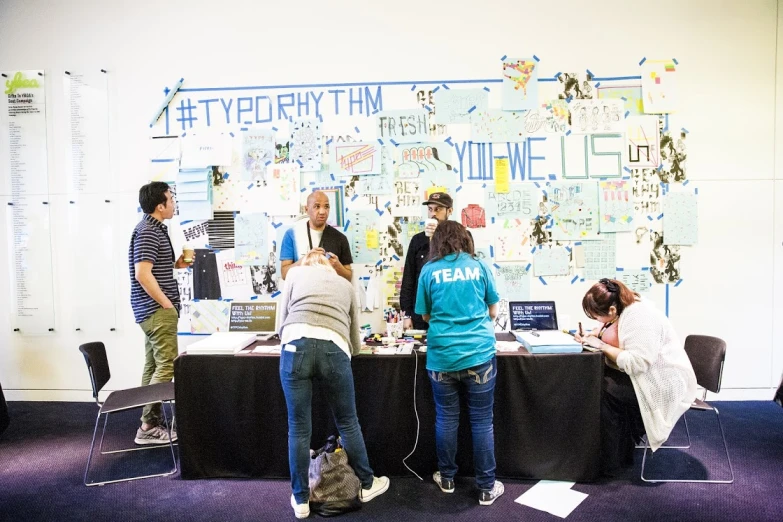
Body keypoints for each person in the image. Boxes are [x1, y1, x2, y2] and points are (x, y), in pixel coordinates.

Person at [279, 251, 389, 518]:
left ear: (306, 264)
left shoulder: (294, 273)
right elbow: (355, 341)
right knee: (347, 421)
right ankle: (366, 484)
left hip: (295, 345)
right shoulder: (345, 284)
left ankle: (301, 500)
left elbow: (280, 324)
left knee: (298, 427)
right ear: (330, 266)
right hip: (334, 348)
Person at [414, 221, 504, 506]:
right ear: (464, 239)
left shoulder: (428, 270)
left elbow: (424, 316)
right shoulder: (479, 267)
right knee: (481, 422)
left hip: (442, 357)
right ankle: (487, 487)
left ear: (437, 242)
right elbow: (492, 310)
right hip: (479, 355)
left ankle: (448, 478)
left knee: (446, 418)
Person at [575, 278, 697, 476]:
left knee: (603, 391)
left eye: (597, 316)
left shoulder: (640, 317)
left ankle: (611, 461)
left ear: (612, 310)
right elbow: (610, 333)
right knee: (598, 384)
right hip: (645, 376)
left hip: (660, 384)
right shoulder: (624, 310)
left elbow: (638, 362)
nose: (596, 321)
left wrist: (602, 347)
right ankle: (614, 454)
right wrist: (593, 336)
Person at [129, 182, 192, 444]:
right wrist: (167, 304)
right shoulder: (147, 231)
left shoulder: (154, 229)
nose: (174, 203)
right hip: (156, 310)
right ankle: (147, 427)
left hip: (152, 310)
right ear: (160, 205)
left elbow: (154, 269)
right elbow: (142, 274)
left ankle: (150, 422)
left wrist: (177, 263)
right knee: (166, 365)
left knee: (154, 365)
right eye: (171, 199)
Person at [400, 192, 454, 331]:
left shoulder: (459, 238)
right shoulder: (418, 240)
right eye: (430, 209)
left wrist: (439, 237)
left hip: (450, 311)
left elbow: (458, 265)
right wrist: (406, 314)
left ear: (450, 211)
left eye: (438, 209)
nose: (433, 214)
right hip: (420, 311)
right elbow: (409, 278)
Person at [280, 190, 353, 282]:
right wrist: (306, 260)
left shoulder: (340, 238)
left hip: (331, 294)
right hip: (302, 294)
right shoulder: (292, 235)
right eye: (317, 206)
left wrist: (337, 266)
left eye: (326, 207)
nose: (322, 211)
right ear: (307, 210)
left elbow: (348, 277)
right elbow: (284, 274)